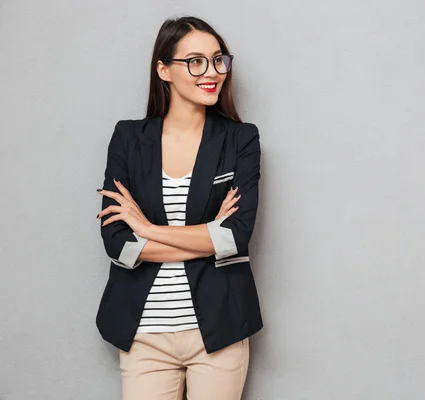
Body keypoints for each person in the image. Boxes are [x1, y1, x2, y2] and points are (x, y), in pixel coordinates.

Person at [95, 15, 263, 400]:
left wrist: (149, 229)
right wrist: (206, 235)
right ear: (163, 69)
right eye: (196, 61)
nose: (213, 72)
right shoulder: (128, 138)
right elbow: (118, 242)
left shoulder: (241, 139)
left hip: (220, 328)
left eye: (219, 59)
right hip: (144, 333)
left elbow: (235, 237)